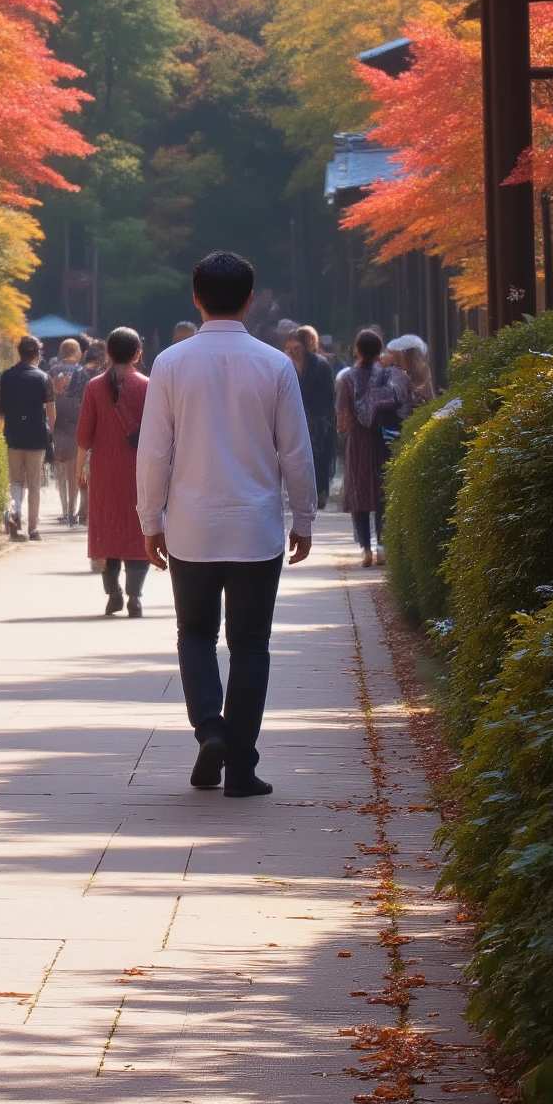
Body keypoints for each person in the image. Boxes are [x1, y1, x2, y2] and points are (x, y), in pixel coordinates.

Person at [135, 249, 317, 800]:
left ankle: (209, 729)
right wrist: (303, 517)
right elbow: (297, 452)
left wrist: (150, 518)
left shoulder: (169, 364)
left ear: (196, 299)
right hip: (255, 525)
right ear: (250, 300)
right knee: (251, 645)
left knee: (194, 634)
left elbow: (153, 453)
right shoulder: (275, 365)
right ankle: (241, 766)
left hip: (191, 523)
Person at [77, 328, 151, 616]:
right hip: (139, 472)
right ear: (138, 354)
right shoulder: (148, 386)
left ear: (107, 352)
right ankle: (135, 595)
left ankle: (113, 593)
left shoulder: (94, 387)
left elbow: (84, 434)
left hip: (105, 471)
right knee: (137, 531)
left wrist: (79, 469)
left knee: (107, 530)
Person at [336, 328, 411, 566]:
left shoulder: (347, 379)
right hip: (384, 438)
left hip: (358, 441)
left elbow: (342, 418)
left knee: (359, 492)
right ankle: (382, 545)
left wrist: (345, 428)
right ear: (380, 351)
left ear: (356, 350)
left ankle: (366, 550)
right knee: (382, 491)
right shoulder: (389, 376)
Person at [0, 334, 52, 539]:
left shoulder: (7, 376)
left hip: (13, 435)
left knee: (16, 481)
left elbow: (0, 409)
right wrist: (53, 431)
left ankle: (16, 518)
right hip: (36, 436)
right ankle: (33, 528)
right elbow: (51, 408)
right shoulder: (43, 378)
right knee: (34, 484)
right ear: (37, 354)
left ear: (19, 353)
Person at [289, 325, 338, 509]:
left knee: (320, 459)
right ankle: (312, 492)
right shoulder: (292, 364)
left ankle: (320, 492)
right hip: (305, 418)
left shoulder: (318, 363)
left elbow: (308, 391)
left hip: (319, 419)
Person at [50, 341, 86, 524]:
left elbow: (49, 400)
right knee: (74, 472)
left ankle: (64, 509)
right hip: (77, 424)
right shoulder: (82, 372)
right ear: (77, 352)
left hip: (59, 424)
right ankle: (72, 510)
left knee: (61, 471)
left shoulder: (53, 371)